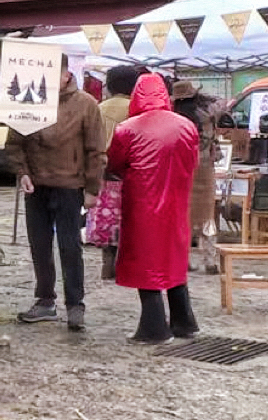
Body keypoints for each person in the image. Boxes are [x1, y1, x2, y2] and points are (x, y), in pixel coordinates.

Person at [5, 55, 105, 331]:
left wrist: (93, 188)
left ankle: (75, 305)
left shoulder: (86, 104)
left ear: (66, 75)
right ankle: (45, 300)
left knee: (70, 246)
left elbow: (96, 150)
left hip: (70, 185)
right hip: (36, 185)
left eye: (54, 74)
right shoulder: (28, 100)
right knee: (39, 244)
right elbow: (14, 143)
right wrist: (22, 172)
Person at [107, 73, 200, 345]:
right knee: (173, 259)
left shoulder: (127, 129)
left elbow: (115, 164)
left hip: (142, 203)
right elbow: (192, 161)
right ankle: (184, 321)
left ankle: (154, 327)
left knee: (145, 262)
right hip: (177, 201)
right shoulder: (187, 126)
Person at [86, 65, 142, 280]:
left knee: (106, 219)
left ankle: (107, 261)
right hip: (130, 174)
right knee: (128, 220)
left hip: (103, 172)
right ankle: (124, 263)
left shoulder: (98, 108)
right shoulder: (137, 108)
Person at [171, 80, 226, 274]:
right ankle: (209, 259)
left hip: (180, 169)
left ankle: (183, 259)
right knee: (207, 215)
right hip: (204, 167)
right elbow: (223, 103)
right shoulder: (207, 113)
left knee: (183, 216)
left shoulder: (172, 118)